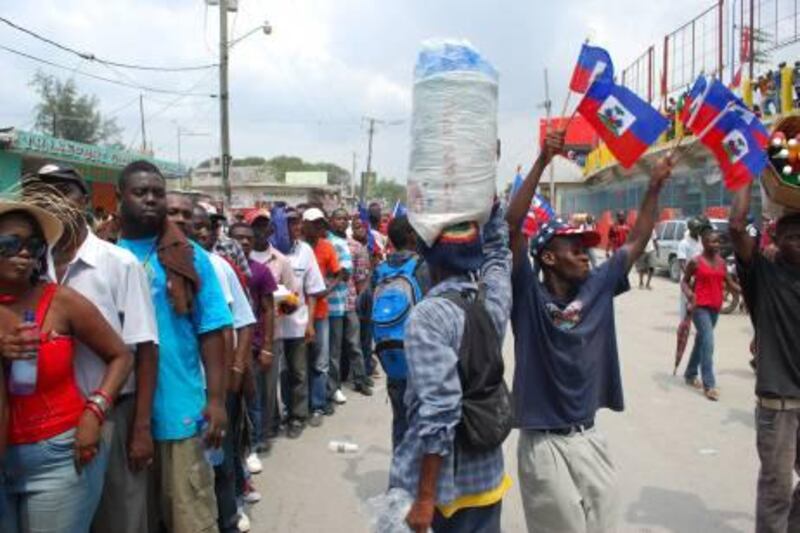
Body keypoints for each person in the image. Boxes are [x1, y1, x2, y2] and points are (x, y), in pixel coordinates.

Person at [507, 130, 674, 532]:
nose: (585, 252)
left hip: (589, 438)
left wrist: (653, 187)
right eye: (574, 246)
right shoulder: (527, 295)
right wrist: (542, 162)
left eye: (586, 245)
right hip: (544, 444)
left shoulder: (598, 286)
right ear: (547, 257)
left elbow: (636, 240)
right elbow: (511, 230)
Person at [22, 165, 159, 533]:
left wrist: (141, 426)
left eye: (62, 190)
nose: (51, 199)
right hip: (52, 425)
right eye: (42, 191)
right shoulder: (30, 266)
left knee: (121, 518)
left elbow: (145, 349)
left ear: (84, 200)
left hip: (113, 414)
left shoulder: (119, 264)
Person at [0, 199, 134, 533]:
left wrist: (95, 410)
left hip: (59, 455)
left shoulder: (59, 300)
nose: (24, 253)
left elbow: (121, 355)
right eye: (10, 243)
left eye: (33, 245)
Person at [116, 161, 232, 532]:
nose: (151, 199)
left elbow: (213, 328)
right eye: (140, 192)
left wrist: (215, 400)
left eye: (158, 192)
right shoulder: (105, 250)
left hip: (178, 410)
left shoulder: (188, 255)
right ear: (120, 198)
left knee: (190, 517)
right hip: (120, 412)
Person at [390, 202, 511, 533]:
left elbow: (441, 409)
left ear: (427, 257)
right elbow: (499, 256)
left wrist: (425, 498)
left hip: (442, 496)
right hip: (486, 478)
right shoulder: (493, 300)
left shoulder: (428, 317)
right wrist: (493, 207)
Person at [167, 193, 257, 533]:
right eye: (172, 213)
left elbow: (242, 322)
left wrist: (235, 370)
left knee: (221, 459)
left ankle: (229, 516)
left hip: (215, 386)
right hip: (180, 388)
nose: (184, 224)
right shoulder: (153, 262)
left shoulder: (217, 266)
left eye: (188, 217)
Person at [730, 179, 800, 532]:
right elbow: (736, 227)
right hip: (779, 405)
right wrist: (747, 168)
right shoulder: (763, 276)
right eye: (792, 236)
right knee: (777, 492)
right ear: (777, 241)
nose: (799, 242)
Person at [372, 215, 430, 450]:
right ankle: (420, 479)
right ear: (412, 236)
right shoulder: (423, 268)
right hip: (421, 357)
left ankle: (400, 476)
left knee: (400, 419)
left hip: (391, 354)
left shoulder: (381, 270)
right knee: (424, 423)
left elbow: (366, 308)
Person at [243, 208, 297, 451]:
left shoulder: (281, 261)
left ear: (272, 230)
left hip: (270, 334)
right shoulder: (239, 256)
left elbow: (292, 299)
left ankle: (263, 433)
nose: (260, 231)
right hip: (243, 334)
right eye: (255, 226)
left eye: (264, 226)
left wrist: (274, 314)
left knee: (267, 385)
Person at [280, 207, 326, 439]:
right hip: (272, 328)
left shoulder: (305, 251)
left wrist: (309, 324)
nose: (295, 227)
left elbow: (315, 290)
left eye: (298, 222)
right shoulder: (269, 251)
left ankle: (298, 416)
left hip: (297, 325)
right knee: (281, 374)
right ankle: (283, 414)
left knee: (299, 372)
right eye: (289, 222)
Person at [681, 227, 739, 402]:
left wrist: (747, 292)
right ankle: (709, 384)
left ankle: (690, 373)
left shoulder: (722, 263)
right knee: (708, 341)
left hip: (715, 307)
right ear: (704, 243)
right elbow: (684, 282)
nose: (717, 244)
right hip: (700, 307)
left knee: (701, 341)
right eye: (713, 241)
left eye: (718, 241)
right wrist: (690, 295)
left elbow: (729, 284)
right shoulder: (695, 262)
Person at [302, 208, 344, 425]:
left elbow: (339, 273)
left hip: (320, 313)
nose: (318, 228)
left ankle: (317, 404)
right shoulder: (296, 249)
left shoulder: (327, 247)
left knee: (320, 361)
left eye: (321, 224)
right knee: (299, 363)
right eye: (314, 223)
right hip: (296, 314)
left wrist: (328, 288)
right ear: (304, 225)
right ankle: (299, 408)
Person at [327, 208, 372, 401]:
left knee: (354, 344)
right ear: (331, 221)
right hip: (331, 302)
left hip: (351, 301)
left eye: (345, 219)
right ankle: (334, 386)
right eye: (338, 218)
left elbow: (361, 278)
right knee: (334, 348)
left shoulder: (356, 247)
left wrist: (360, 300)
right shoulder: (326, 244)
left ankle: (361, 379)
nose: (342, 222)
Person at [677, 216, 708, 317]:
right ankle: (684, 324)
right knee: (686, 301)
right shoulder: (683, 243)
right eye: (696, 229)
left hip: (701, 276)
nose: (698, 230)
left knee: (700, 302)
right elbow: (682, 262)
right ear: (690, 229)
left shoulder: (701, 241)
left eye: (699, 228)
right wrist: (689, 277)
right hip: (688, 277)